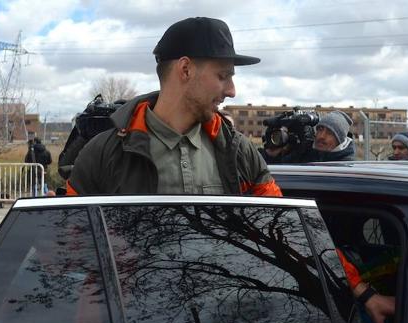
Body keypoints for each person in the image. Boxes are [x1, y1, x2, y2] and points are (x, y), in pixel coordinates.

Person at [66, 17, 281, 197]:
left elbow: (276, 230)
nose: (232, 91)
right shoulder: (103, 153)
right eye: (223, 76)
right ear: (186, 69)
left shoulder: (239, 152)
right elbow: (71, 239)